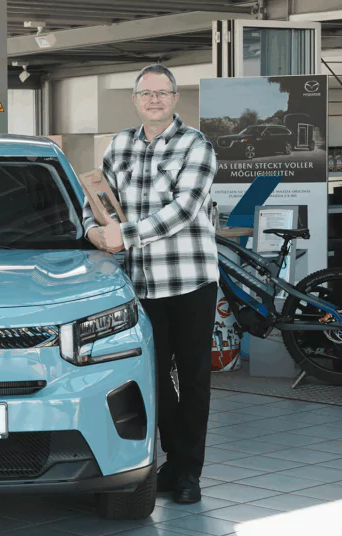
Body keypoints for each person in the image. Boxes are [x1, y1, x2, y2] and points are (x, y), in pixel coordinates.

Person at [84, 63, 219, 504]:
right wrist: (93, 231)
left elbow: (184, 210)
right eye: (146, 94)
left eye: (163, 93)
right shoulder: (119, 145)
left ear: (176, 98)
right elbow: (97, 201)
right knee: (154, 378)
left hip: (190, 281)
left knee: (195, 378)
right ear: (136, 99)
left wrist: (123, 234)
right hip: (139, 285)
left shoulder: (196, 145)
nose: (154, 100)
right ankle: (171, 462)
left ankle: (188, 473)